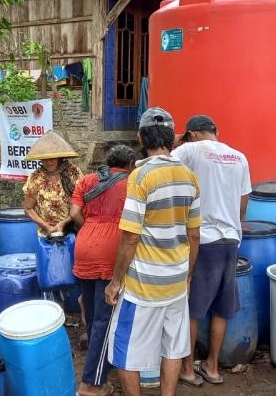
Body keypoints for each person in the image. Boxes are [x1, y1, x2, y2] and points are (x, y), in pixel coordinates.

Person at [105, 107, 201, 396]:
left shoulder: (140, 175)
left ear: (140, 136)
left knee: (124, 348)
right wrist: (188, 276)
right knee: (173, 346)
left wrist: (115, 281)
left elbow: (130, 236)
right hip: (175, 280)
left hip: (143, 284)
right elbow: (194, 235)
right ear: (172, 138)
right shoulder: (189, 176)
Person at [172, 115, 251, 386]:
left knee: (193, 308)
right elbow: (243, 205)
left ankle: (188, 370)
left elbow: (162, 163)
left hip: (203, 240)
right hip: (231, 240)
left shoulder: (190, 150)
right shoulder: (239, 157)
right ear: (216, 131)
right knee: (221, 308)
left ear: (192, 134)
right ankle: (213, 366)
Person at [70, 144, 136, 396]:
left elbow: (74, 212)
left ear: (108, 162)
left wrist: (90, 227)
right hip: (112, 250)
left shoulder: (87, 180)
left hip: (84, 246)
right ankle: (91, 384)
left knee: (92, 310)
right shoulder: (131, 183)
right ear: (130, 165)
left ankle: (95, 376)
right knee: (105, 319)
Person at [23, 131, 84, 236]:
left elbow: (83, 203)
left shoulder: (73, 173)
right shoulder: (35, 178)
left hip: (73, 230)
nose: (48, 162)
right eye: (45, 159)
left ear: (60, 157)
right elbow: (28, 208)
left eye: (52, 158)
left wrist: (64, 223)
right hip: (47, 232)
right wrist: (46, 226)